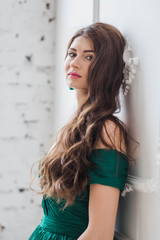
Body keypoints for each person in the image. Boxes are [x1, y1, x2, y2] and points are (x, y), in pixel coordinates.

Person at [29, 22, 138, 240]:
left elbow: (100, 232)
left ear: (106, 67)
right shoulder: (73, 126)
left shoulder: (106, 129)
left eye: (89, 57)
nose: (75, 63)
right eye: (72, 54)